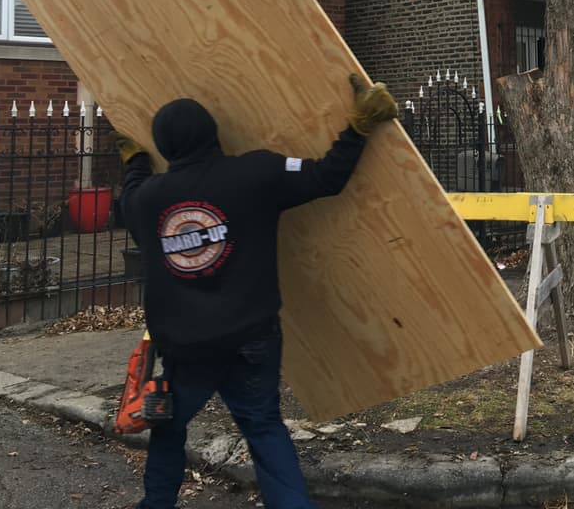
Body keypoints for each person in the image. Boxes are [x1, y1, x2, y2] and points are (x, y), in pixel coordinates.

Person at [115, 73, 398, 509]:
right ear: (212, 132)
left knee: (168, 428)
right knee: (264, 427)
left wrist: (135, 158)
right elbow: (326, 177)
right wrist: (358, 127)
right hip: (251, 337)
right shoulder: (256, 173)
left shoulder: (146, 200)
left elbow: (133, 185)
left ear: (164, 147)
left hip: (186, 350)